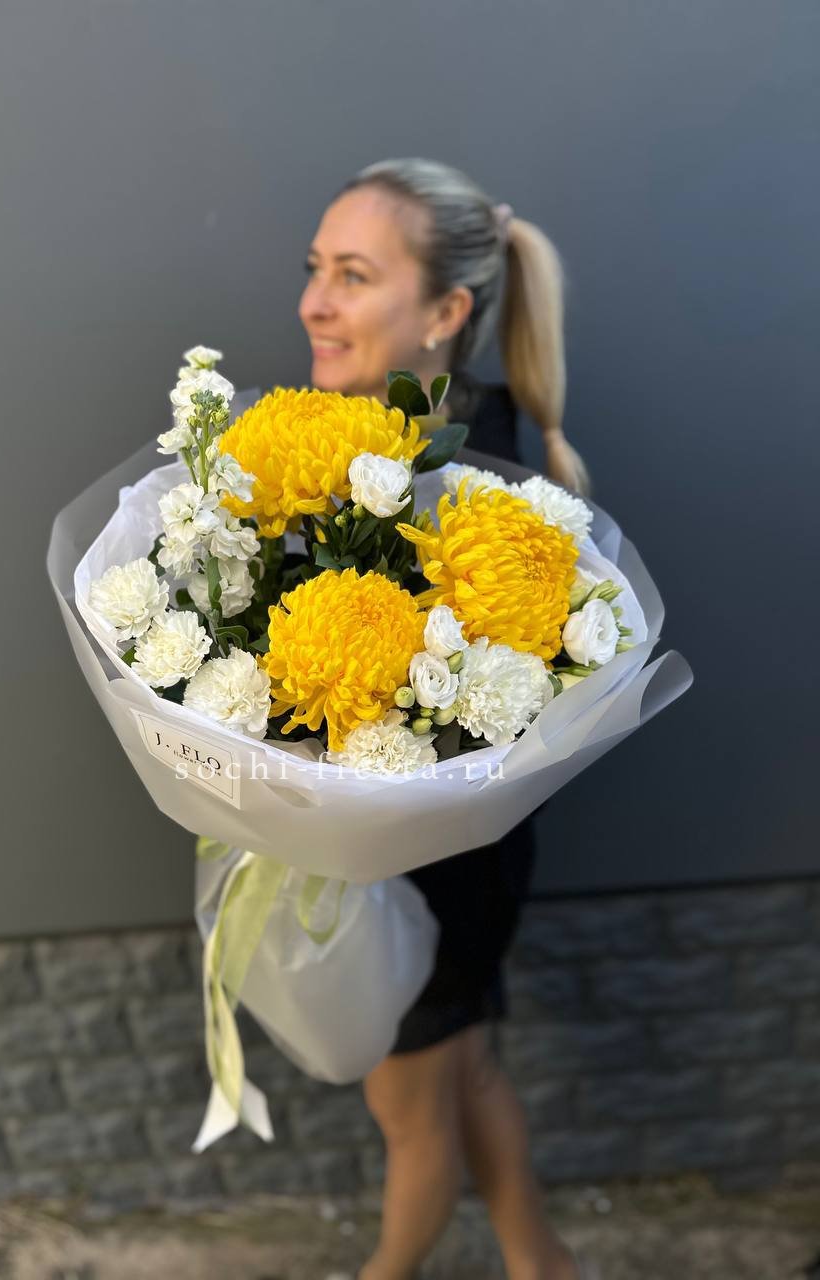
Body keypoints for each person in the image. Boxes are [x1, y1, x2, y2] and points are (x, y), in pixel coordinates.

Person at [298, 158, 593, 1280]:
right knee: (463, 1075)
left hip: (436, 863)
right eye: (315, 269)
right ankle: (541, 1261)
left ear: (445, 312)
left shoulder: (482, 492)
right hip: (407, 846)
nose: (314, 303)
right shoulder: (363, 441)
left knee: (412, 1107)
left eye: (353, 275)